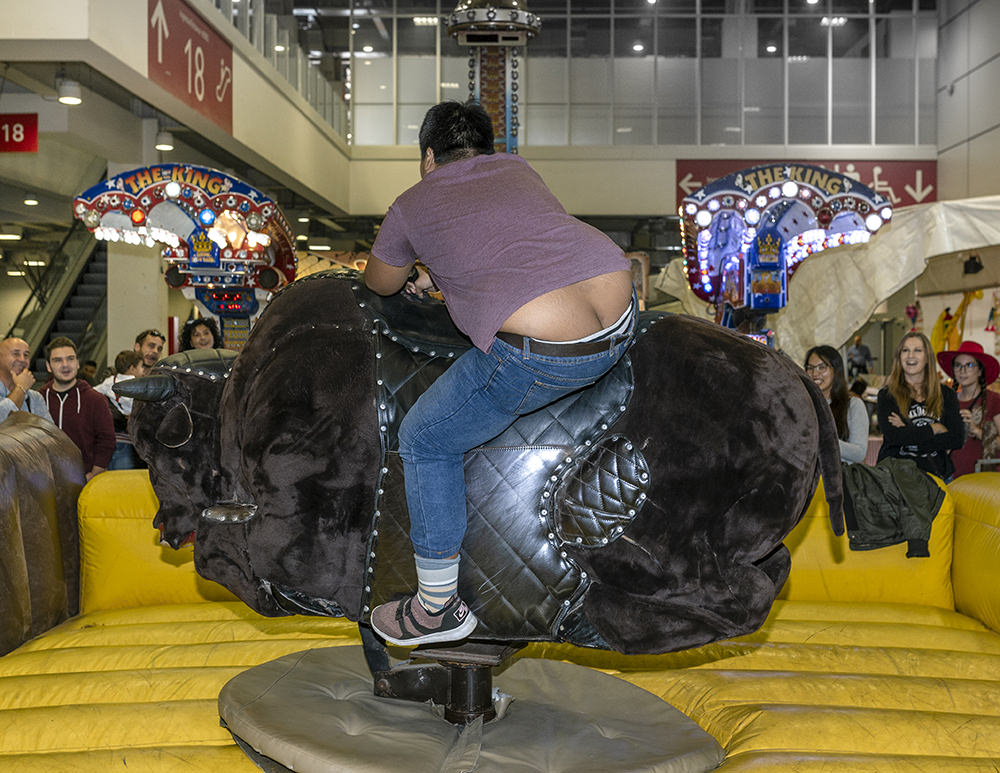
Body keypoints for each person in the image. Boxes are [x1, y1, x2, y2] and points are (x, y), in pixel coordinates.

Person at [365, 100, 636, 647]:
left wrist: (416, 267)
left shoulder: (411, 203)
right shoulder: (518, 170)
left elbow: (379, 284)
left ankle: (436, 608)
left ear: (427, 157)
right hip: (622, 316)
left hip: (544, 354)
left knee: (423, 437)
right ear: (488, 147)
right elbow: (520, 251)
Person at [876, 332, 963, 480]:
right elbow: (894, 437)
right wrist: (935, 429)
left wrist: (908, 432)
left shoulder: (946, 394)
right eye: (905, 350)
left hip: (937, 476)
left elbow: (956, 438)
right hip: (896, 480)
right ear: (899, 357)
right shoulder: (887, 395)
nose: (911, 355)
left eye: (917, 350)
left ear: (927, 357)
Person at [40, 337, 115, 480]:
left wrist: (93, 475)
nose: (65, 365)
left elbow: (107, 440)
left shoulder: (96, 400)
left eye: (70, 359)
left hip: (84, 481)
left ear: (78, 363)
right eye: (57, 360)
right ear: (48, 366)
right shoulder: (38, 399)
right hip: (45, 484)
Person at [937, 341, 1000, 476]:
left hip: (984, 481)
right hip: (951, 479)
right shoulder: (947, 402)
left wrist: (977, 431)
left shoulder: (995, 400)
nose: (962, 370)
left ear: (980, 371)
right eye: (958, 365)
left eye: (969, 365)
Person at [804, 345, 868, 463]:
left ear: (836, 370)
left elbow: (860, 453)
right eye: (810, 368)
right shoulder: (801, 405)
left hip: (841, 477)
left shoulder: (853, 405)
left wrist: (824, 440)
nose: (814, 373)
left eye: (822, 367)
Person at [94, 350, 146, 470]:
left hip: (111, 436)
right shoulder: (138, 383)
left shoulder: (110, 381)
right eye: (141, 366)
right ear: (132, 369)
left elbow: (93, 392)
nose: (143, 370)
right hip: (128, 437)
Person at [0, 336, 53, 424]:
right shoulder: (23, 389)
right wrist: (21, 388)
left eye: (26, 355)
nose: (22, 359)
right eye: (16, 354)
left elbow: (50, 433)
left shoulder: (35, 398)